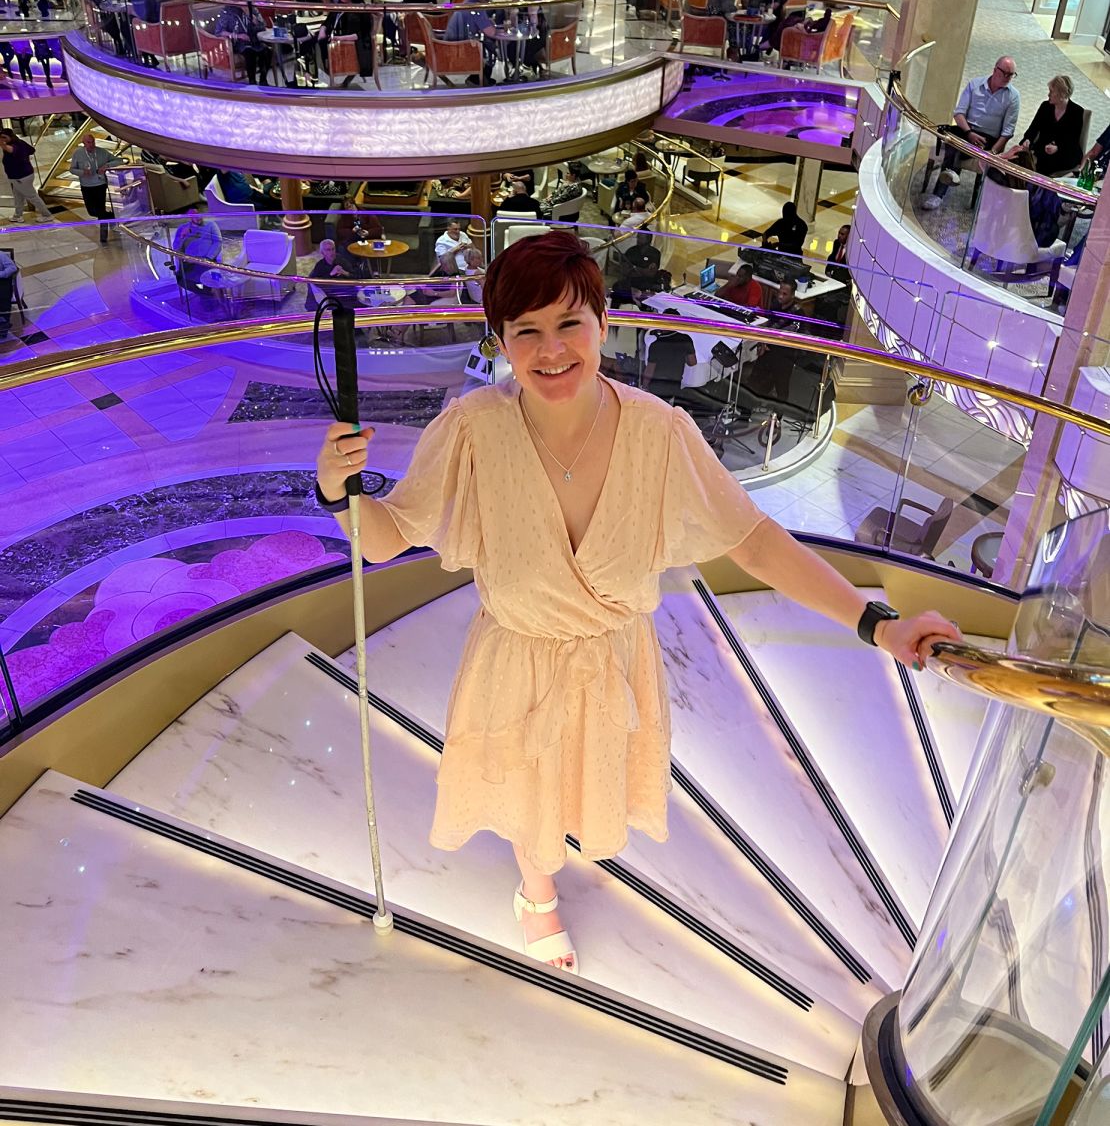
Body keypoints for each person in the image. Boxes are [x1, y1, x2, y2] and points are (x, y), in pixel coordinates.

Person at [317, 233, 957, 969]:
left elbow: (753, 540)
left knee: (586, 783)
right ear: (500, 341)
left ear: (604, 322)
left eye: (569, 324)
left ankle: (554, 860)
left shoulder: (660, 432)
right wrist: (337, 490)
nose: (551, 350)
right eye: (526, 331)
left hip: (613, 661)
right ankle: (536, 893)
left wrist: (877, 623)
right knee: (530, 798)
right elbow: (386, 538)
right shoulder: (471, 430)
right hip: (517, 661)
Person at [924, 56, 1020, 208]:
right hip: (966, 131)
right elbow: (959, 113)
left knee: (954, 149)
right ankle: (940, 192)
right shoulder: (975, 85)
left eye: (1011, 74)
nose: (1008, 78)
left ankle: (941, 190)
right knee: (953, 141)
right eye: (1005, 73)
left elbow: (1008, 131)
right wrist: (969, 132)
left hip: (988, 138)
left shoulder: (1013, 96)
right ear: (995, 70)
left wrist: (992, 153)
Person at [996, 74, 1084, 177]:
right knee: (1018, 155)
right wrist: (1028, 139)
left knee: (1043, 165)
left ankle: (1035, 188)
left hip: (1065, 153)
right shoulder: (1045, 107)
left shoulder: (1076, 112)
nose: (1048, 94)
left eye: (1052, 92)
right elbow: (1033, 128)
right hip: (1044, 148)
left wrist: (1057, 148)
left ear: (1062, 95)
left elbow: (1072, 141)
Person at [70, 131, 114, 243]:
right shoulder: (78, 153)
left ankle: (103, 236)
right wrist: (82, 172)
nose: (91, 144)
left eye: (92, 141)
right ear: (83, 143)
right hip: (86, 186)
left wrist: (107, 166)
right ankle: (113, 216)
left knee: (100, 210)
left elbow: (118, 160)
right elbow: (72, 169)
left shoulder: (102, 152)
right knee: (92, 211)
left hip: (100, 185)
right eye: (88, 142)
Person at [1, 128, 50, 220]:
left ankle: (47, 215)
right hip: (21, 176)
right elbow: (31, 150)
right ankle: (18, 215)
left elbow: (11, 150)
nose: (2, 139)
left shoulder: (14, 145)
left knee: (32, 196)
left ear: (10, 137)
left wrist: (2, 144)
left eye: (4, 137)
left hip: (21, 177)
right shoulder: (20, 142)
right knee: (18, 197)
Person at [171, 208, 223, 289]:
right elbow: (176, 249)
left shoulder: (211, 225)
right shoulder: (182, 228)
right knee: (183, 280)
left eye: (199, 214)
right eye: (194, 215)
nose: (198, 217)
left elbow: (218, 242)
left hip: (207, 261)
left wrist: (208, 258)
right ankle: (203, 292)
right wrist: (182, 236)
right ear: (189, 217)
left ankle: (209, 293)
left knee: (210, 281)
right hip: (189, 263)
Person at [308, 237, 360, 307]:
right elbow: (316, 283)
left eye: (333, 249)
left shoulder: (342, 261)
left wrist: (344, 272)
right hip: (330, 295)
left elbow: (356, 277)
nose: (332, 252)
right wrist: (331, 274)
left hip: (347, 293)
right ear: (322, 253)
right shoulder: (320, 265)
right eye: (328, 250)